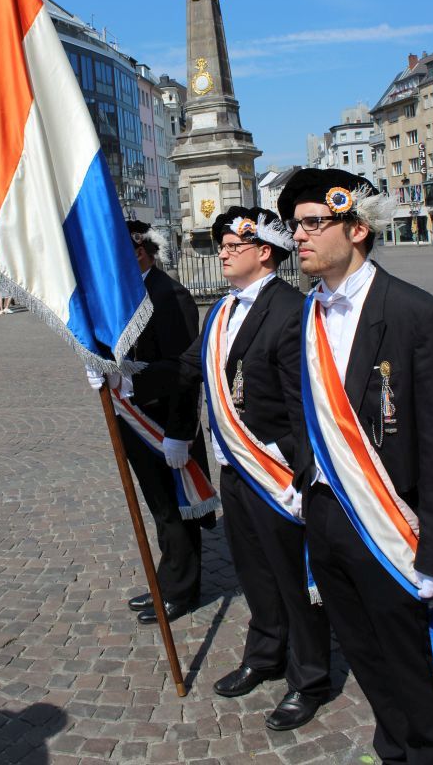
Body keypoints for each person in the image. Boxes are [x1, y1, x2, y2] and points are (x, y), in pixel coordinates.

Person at [278, 168, 433, 765]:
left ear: (356, 229)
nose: (297, 237)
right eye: (293, 226)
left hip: (391, 528)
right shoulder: (307, 312)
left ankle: (425, 754)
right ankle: (393, 751)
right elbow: (298, 409)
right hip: (328, 518)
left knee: (409, 669)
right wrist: (307, 474)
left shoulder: (417, 315)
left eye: (310, 224)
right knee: (364, 655)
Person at [130, 208, 331, 732]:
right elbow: (188, 368)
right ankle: (265, 654)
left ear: (264, 251)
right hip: (235, 465)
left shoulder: (292, 310)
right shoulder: (222, 308)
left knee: (293, 578)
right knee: (254, 570)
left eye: (231, 244)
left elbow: (306, 403)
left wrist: (302, 476)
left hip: (277, 470)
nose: (221, 251)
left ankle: (309, 677)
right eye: (219, 243)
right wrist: (124, 376)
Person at [87, 222, 215, 625]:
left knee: (178, 507)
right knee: (159, 506)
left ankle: (182, 590)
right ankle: (168, 579)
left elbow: (183, 369)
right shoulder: (119, 294)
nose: (130, 256)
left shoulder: (169, 293)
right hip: (133, 417)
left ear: (148, 249)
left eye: (136, 248)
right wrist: (101, 366)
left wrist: (180, 432)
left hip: (163, 421)